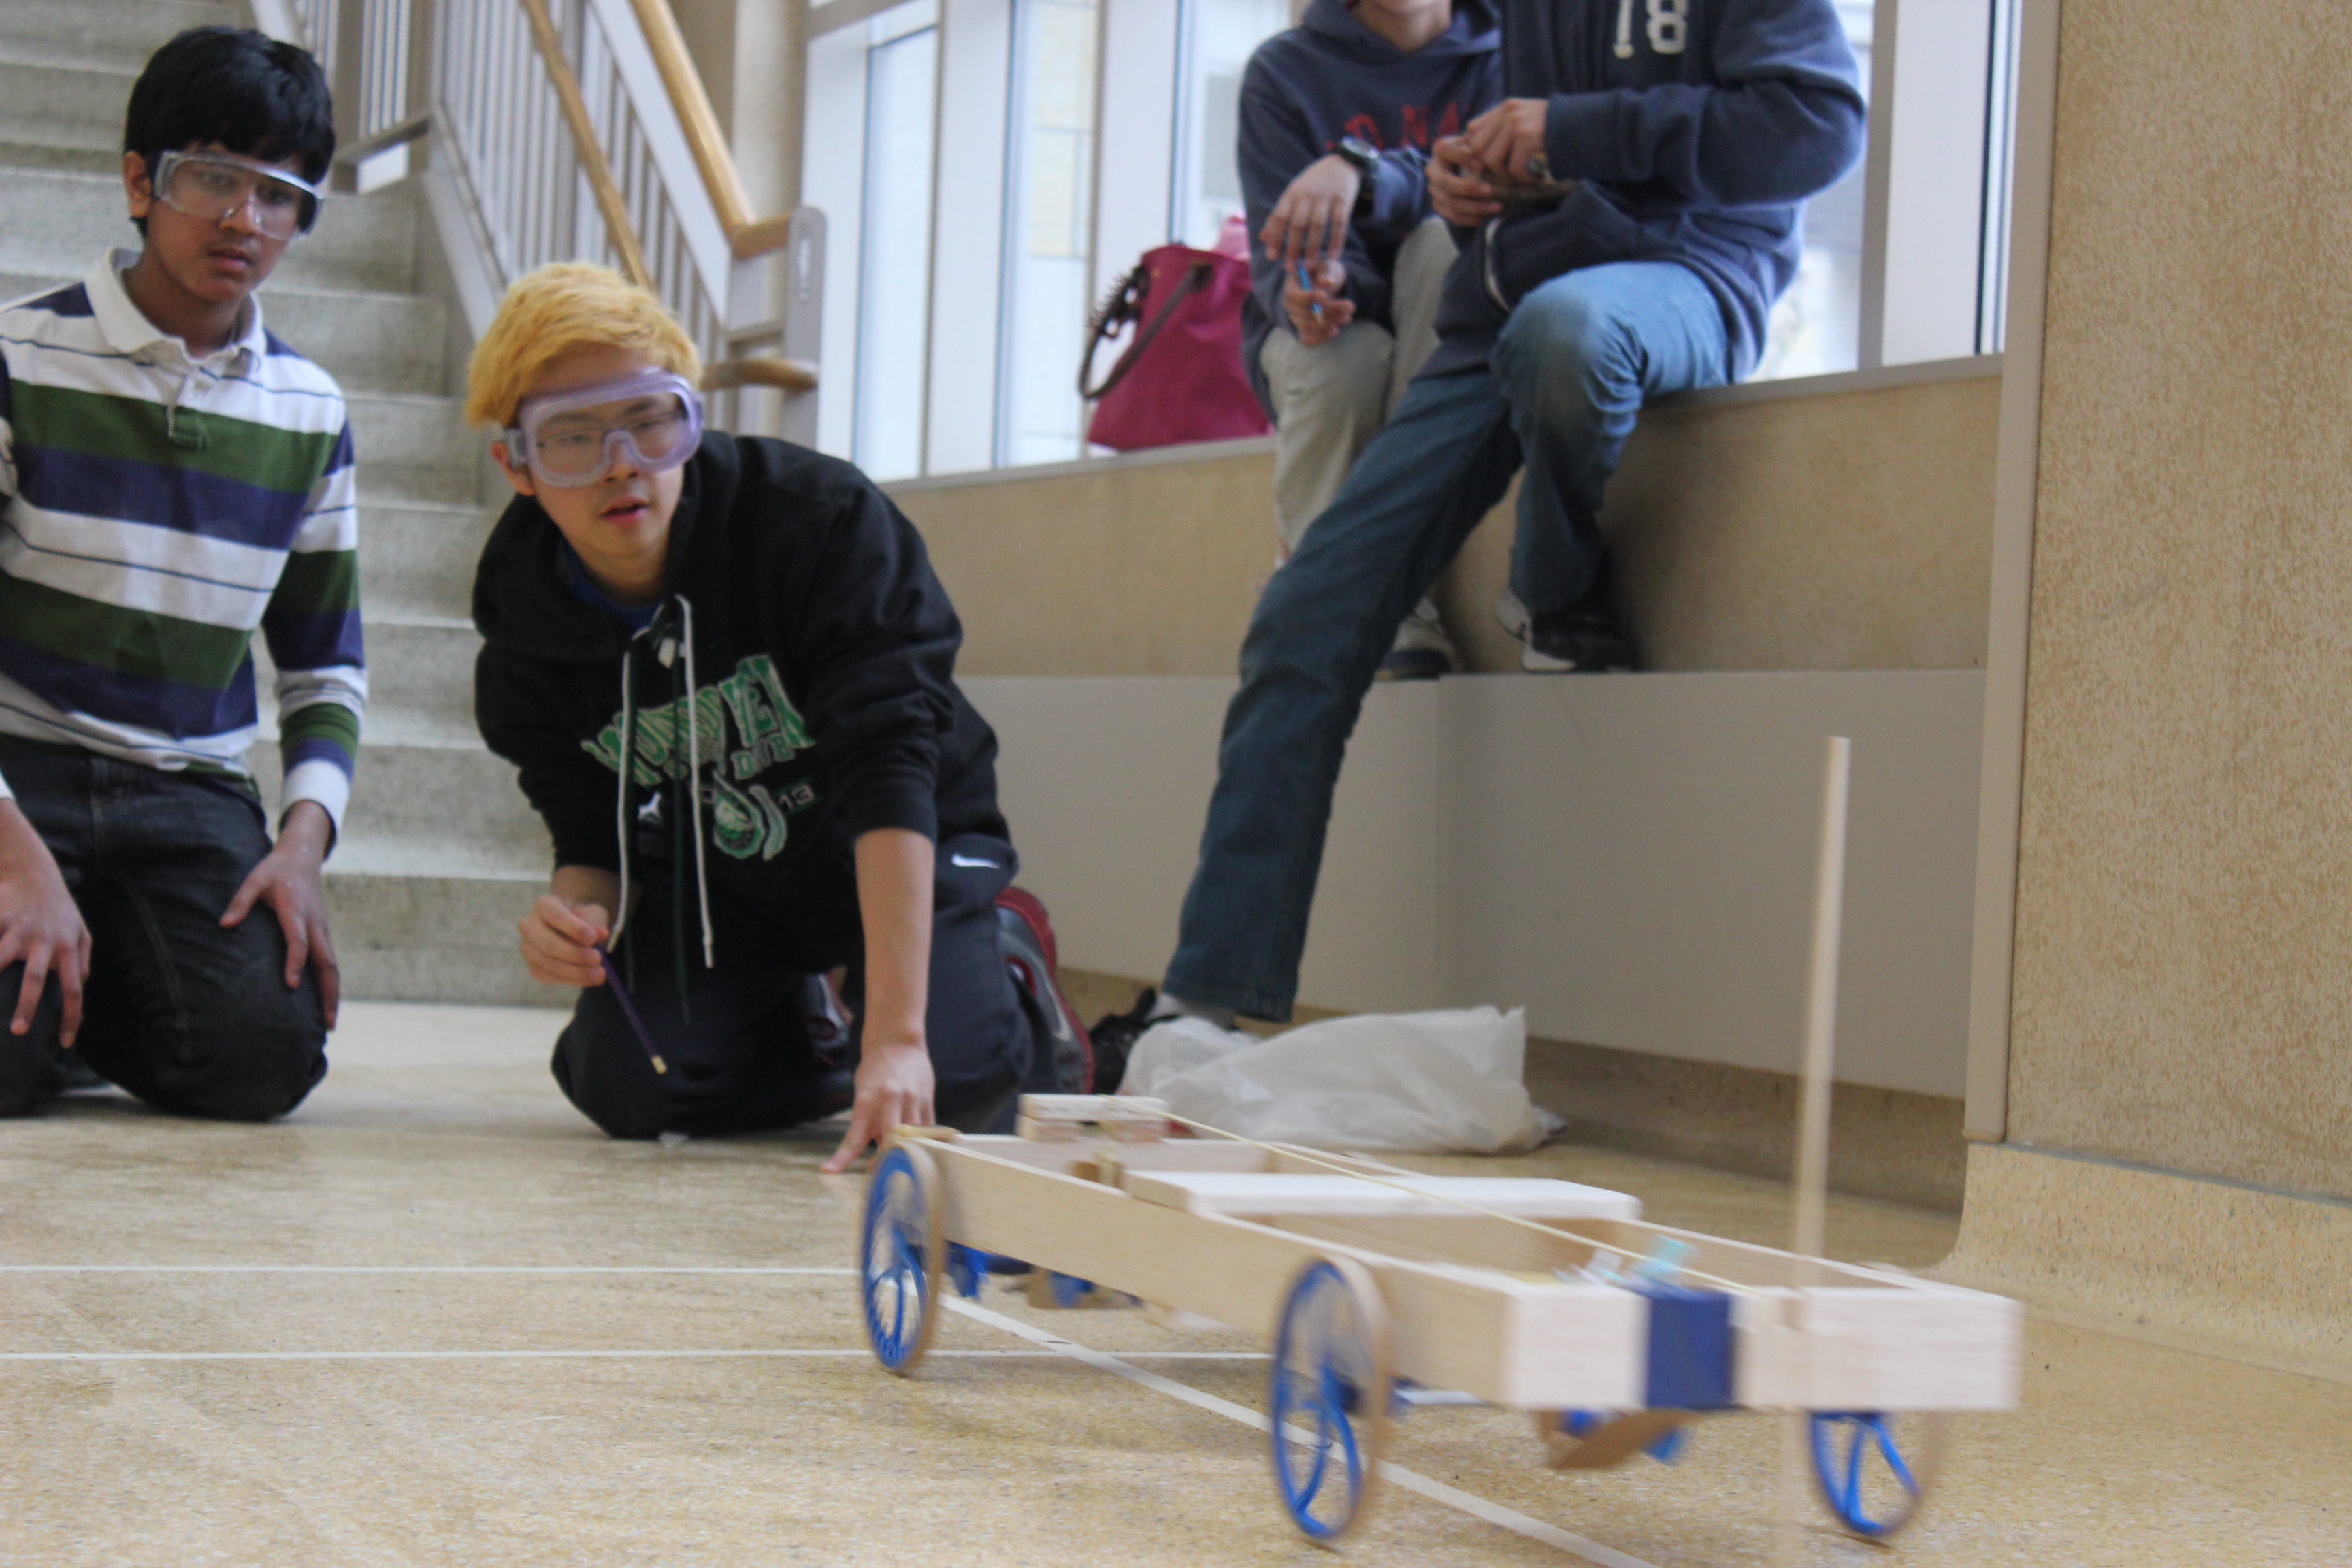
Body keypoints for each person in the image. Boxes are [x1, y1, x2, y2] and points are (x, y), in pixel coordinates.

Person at [1097, 0, 1866, 1049]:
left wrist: (1572, 134)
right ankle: (1202, 1003)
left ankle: (1555, 592)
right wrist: (1472, 191)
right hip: (1507, 287)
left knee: (1568, 333)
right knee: (1301, 611)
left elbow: (1816, 129)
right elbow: (1512, 170)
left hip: (1689, 274)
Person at [467, 264, 1090, 1169]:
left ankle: (1000, 968)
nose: (620, 467)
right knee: (626, 1080)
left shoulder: (819, 524)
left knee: (947, 1089)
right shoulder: (525, 621)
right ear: (516, 465)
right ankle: (816, 1034)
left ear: (693, 420)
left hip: (908, 838)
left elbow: (891, 774)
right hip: (730, 884)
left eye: (649, 421)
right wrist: (573, 913)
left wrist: (900, 1039)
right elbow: (585, 828)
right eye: (571, 438)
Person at [0, 27, 357, 1120]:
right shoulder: (17, 357)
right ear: (140, 181)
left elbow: (325, 668)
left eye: (281, 193)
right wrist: (15, 856)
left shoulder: (312, 410)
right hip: (19, 771)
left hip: (192, 792)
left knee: (262, 1062)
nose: (245, 220)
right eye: (212, 177)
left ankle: (95, 993)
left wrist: (301, 847)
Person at [1241, 0, 1500, 681]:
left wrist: (1358, 169)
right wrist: (1317, 283)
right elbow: (1278, 253)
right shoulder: (1284, 71)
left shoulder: (1507, 55)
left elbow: (1484, 193)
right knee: (1345, 363)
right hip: (1324, 333)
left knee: (1447, 243)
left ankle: (1374, 593)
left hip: (1451, 305)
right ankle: (1320, 592)